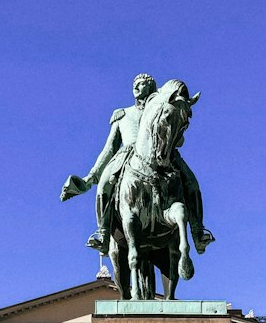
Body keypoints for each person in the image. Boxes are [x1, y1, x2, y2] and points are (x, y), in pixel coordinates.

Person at [62, 73, 215, 256]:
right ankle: (103, 233)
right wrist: (91, 175)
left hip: (164, 153)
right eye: (135, 84)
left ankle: (197, 231)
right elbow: (109, 148)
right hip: (126, 155)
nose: (136, 87)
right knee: (104, 185)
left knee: (192, 183)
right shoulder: (122, 114)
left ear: (151, 88)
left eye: (142, 84)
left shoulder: (161, 107)